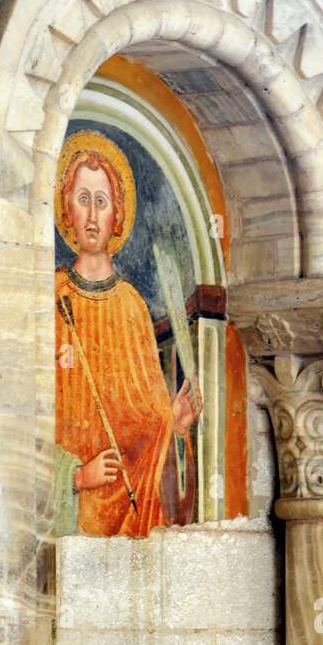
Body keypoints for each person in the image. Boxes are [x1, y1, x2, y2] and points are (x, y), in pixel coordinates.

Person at [54, 130, 202, 536]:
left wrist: (175, 425)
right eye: (82, 199)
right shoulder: (51, 298)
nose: (91, 215)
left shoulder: (132, 306)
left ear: (116, 214)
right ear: (66, 207)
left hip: (134, 501)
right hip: (75, 506)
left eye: (101, 202)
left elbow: (148, 420)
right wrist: (77, 476)